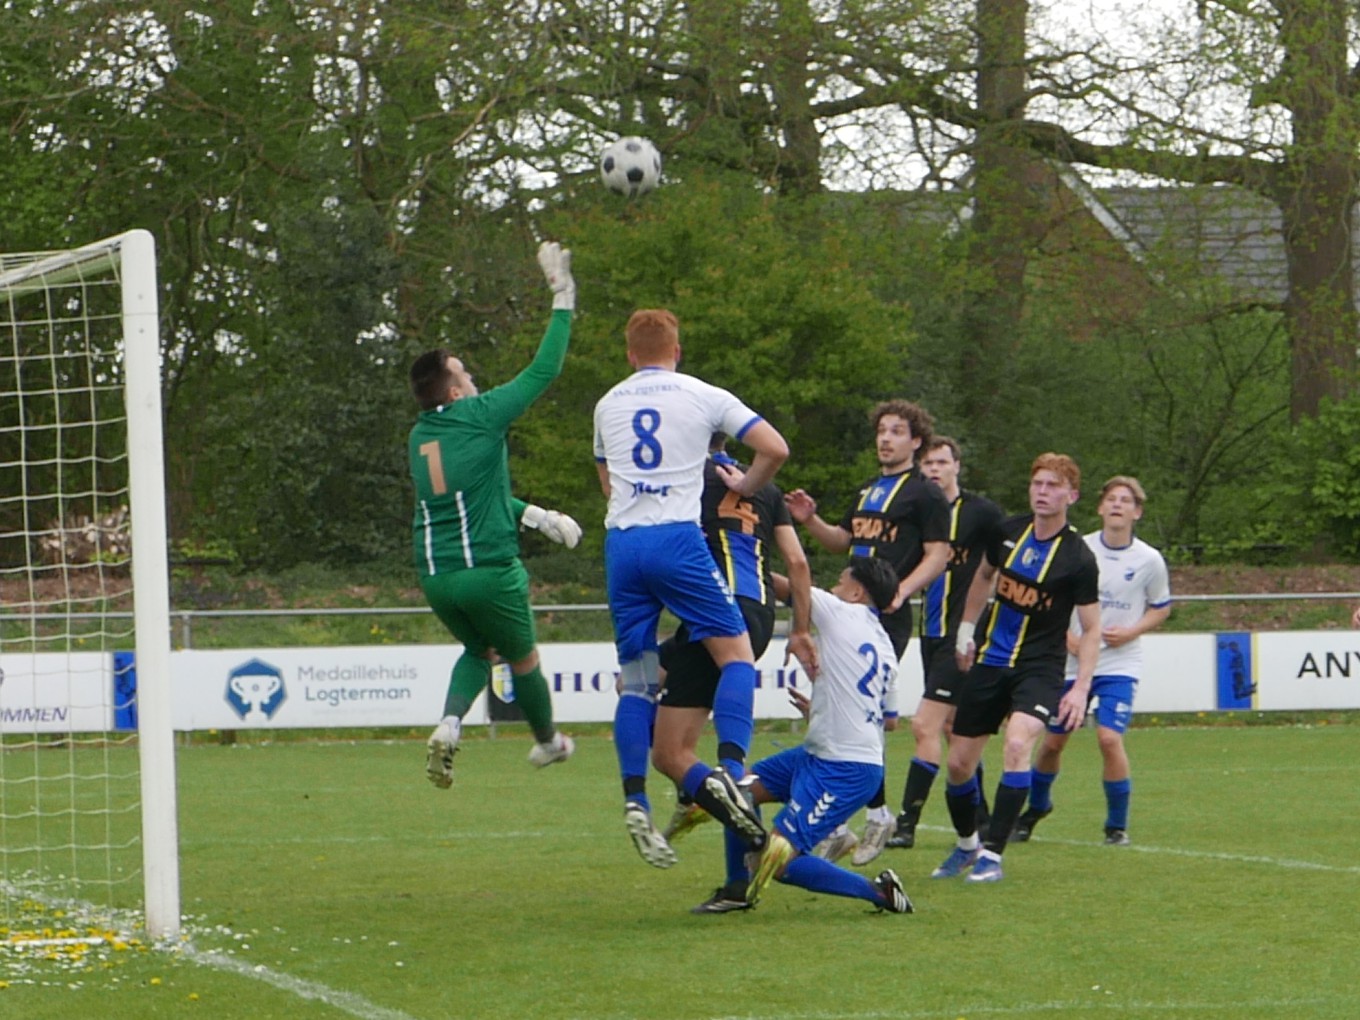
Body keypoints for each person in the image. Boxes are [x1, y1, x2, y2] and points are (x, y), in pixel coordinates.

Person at [593, 309, 790, 857]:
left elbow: (607, 479)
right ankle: (729, 768)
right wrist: (747, 484)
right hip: (676, 540)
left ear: (630, 355)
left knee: (636, 681)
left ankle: (636, 798)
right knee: (735, 657)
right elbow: (775, 448)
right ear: (676, 352)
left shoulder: (608, 403)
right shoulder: (703, 394)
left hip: (622, 545)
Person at [413, 241, 579, 787]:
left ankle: (448, 723)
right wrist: (562, 296)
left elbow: (474, 498)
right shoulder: (479, 415)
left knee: (477, 650)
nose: (473, 378)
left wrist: (534, 514)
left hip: (438, 577)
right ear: (456, 389)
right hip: (489, 570)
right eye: (465, 372)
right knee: (522, 659)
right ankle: (547, 741)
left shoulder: (420, 437)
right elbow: (545, 370)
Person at [644, 435, 817, 897]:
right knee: (648, 679)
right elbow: (798, 564)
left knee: (668, 751)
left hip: (715, 615)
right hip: (758, 616)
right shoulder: (764, 488)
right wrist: (799, 629)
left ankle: (715, 796)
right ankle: (700, 790)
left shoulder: (684, 480)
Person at [784, 400, 950, 865]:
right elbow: (845, 541)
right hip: (853, 610)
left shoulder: (925, 493)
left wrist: (902, 591)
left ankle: (875, 815)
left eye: (897, 431)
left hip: (884, 614)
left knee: (862, 717)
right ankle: (840, 825)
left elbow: (938, 554)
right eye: (882, 430)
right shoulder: (868, 491)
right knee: (842, 715)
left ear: (916, 441)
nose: (886, 438)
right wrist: (810, 520)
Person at [931, 452, 1101, 884]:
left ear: (1072, 495)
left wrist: (1080, 687)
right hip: (989, 660)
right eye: (1038, 484)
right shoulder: (1006, 532)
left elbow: (1093, 626)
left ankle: (993, 855)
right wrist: (967, 629)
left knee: (1017, 742)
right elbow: (984, 576)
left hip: (1038, 669)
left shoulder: (1078, 558)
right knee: (957, 765)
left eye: (1053, 486)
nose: (1043, 492)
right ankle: (968, 845)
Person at [740, 557, 914, 915]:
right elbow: (889, 721)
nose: (833, 588)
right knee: (737, 793)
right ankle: (735, 886)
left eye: (839, 581)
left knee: (779, 862)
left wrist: (741, 560)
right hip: (823, 755)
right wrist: (820, 711)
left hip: (844, 769)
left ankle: (882, 892)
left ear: (856, 591)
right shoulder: (884, 646)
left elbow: (789, 585)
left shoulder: (840, 611)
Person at [1012, 475, 1172, 846]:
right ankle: (1036, 807)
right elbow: (1049, 600)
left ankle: (1116, 826)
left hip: (1119, 664)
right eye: (1111, 499)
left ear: (1137, 512)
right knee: (1052, 743)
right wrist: (1066, 637)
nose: (1117, 505)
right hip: (1069, 663)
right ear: (1100, 507)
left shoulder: (1149, 560)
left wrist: (1131, 631)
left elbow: (1161, 607)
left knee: (1108, 738)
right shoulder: (1077, 549)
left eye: (1126, 500)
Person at [885, 436, 1005, 849]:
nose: (934, 470)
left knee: (924, 724)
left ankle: (905, 824)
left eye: (941, 462)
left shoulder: (982, 514)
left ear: (957, 466)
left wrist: (986, 628)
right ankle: (983, 818)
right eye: (927, 465)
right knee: (956, 730)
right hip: (930, 632)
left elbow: (1002, 568)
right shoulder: (920, 513)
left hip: (963, 636)